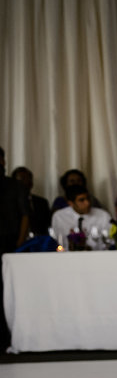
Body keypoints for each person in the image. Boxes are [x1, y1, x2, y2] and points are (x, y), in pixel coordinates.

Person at [1, 146, 31, 347]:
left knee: (8, 291)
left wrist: (20, 242)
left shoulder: (15, 186)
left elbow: (25, 215)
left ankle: (7, 336)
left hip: (9, 242)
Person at [51, 185, 112, 250]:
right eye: (82, 200)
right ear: (70, 203)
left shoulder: (103, 215)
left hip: (98, 255)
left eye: (88, 198)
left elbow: (110, 241)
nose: (87, 203)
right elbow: (58, 242)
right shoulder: (59, 216)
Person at [10, 166, 51, 236]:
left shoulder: (42, 202)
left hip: (39, 241)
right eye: (22, 179)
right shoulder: (9, 202)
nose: (26, 182)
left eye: (28, 179)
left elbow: (47, 226)